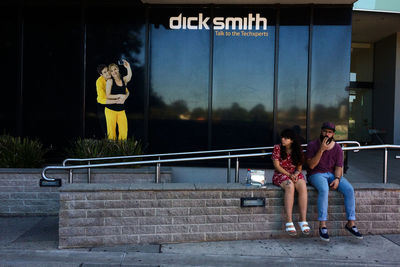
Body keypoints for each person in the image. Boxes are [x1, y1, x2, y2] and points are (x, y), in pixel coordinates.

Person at [306, 122, 363, 242]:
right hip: (316, 174)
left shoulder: (337, 148)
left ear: (333, 134)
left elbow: (339, 167)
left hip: (332, 175)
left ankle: (350, 223)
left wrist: (337, 179)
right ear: (321, 131)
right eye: (325, 131)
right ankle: (322, 225)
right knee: (324, 189)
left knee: (349, 189)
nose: (327, 134)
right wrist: (321, 150)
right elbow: (311, 166)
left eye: (330, 132)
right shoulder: (312, 145)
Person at [272, 129, 310, 236]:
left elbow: (299, 167)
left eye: (286, 138)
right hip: (281, 174)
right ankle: (289, 221)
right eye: (282, 137)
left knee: (302, 186)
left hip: (294, 174)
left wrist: (295, 174)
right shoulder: (277, 148)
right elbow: (277, 166)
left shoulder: (298, 150)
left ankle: (303, 220)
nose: (283, 139)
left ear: (292, 140)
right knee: (290, 186)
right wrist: (289, 175)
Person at [96, 64, 125, 138]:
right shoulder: (99, 82)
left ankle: (122, 148)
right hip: (104, 106)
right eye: (105, 72)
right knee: (110, 132)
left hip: (118, 107)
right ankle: (111, 148)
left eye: (108, 71)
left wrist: (125, 97)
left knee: (123, 130)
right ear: (101, 74)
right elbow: (101, 99)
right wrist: (117, 100)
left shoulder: (114, 77)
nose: (108, 73)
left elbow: (125, 90)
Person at [105, 60, 132, 140]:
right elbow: (107, 95)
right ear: (110, 73)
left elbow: (129, 76)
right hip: (110, 110)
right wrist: (120, 95)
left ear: (118, 69)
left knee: (124, 132)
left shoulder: (123, 80)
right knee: (111, 134)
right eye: (112, 71)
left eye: (115, 69)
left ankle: (121, 150)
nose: (114, 72)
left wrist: (128, 67)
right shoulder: (110, 81)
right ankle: (111, 151)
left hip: (121, 111)